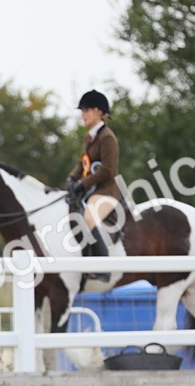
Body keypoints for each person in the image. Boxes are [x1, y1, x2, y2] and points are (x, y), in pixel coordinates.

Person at [65, 89, 124, 259]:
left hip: (107, 191)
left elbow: (108, 170)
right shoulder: (90, 137)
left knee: (89, 219)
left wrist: (82, 184)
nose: (83, 115)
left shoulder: (107, 137)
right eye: (82, 111)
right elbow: (83, 163)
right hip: (91, 191)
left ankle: (102, 266)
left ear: (98, 112)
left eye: (86, 110)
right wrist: (71, 178)